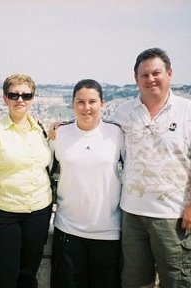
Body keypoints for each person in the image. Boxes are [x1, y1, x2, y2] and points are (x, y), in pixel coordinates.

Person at [112, 48, 191, 288]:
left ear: (169, 73)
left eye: (156, 73)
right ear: (136, 79)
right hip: (132, 214)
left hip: (173, 215)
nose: (150, 79)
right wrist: (60, 127)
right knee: (135, 282)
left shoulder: (188, 111)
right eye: (144, 75)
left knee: (177, 281)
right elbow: (96, 130)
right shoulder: (123, 113)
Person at [0, 73, 52, 288]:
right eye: (13, 94)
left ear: (33, 99)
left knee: (29, 274)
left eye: (26, 95)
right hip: (4, 213)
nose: (20, 100)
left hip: (39, 210)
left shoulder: (40, 130)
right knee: (3, 275)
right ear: (4, 98)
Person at [50, 79, 123, 288]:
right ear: (72, 103)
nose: (86, 107)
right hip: (67, 231)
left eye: (92, 101)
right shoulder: (59, 134)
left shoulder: (117, 134)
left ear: (103, 104)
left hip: (108, 232)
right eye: (80, 102)